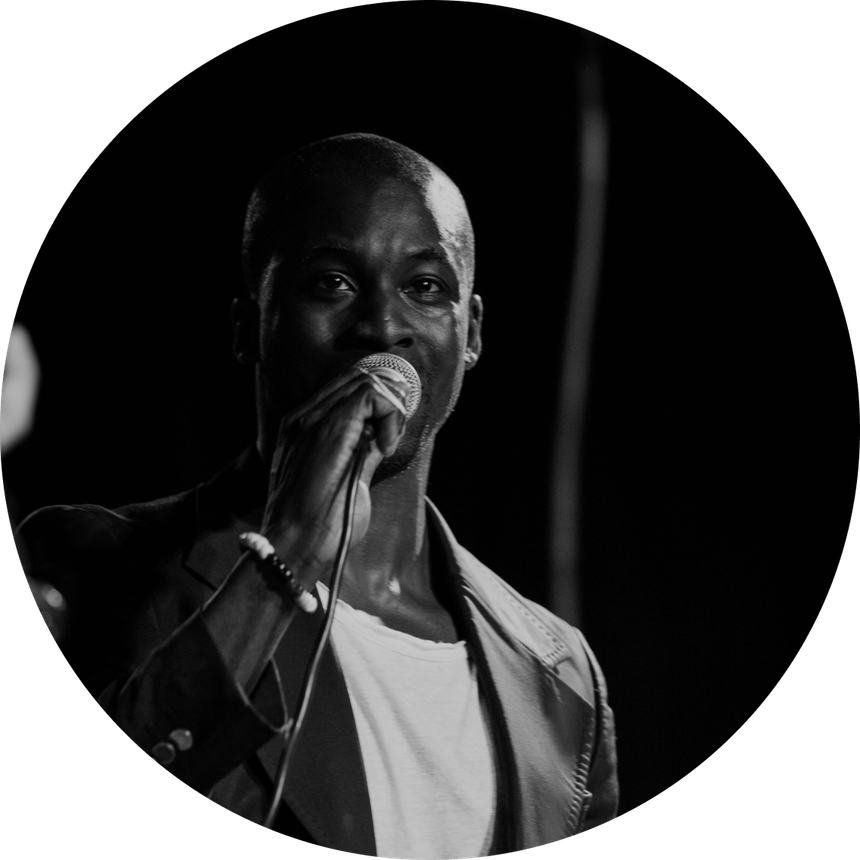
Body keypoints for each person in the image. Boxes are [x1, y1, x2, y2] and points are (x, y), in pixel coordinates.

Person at [15, 133, 619, 855]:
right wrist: (287, 554)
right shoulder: (98, 568)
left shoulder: (562, 673)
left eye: (425, 287)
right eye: (332, 282)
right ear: (248, 328)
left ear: (472, 334)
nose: (383, 326)